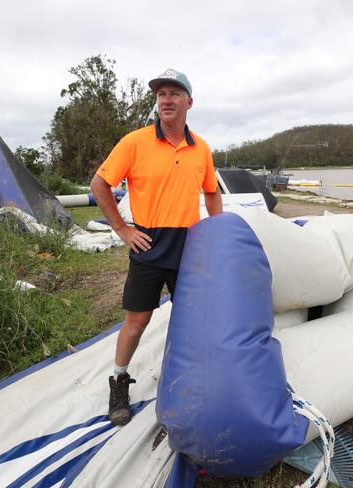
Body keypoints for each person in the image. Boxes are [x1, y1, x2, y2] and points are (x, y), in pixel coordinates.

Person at [90, 68, 223, 426]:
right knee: (137, 320)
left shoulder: (202, 149)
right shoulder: (135, 142)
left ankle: (191, 379)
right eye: (161, 94)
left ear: (188, 102)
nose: (166, 99)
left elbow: (212, 191)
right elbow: (100, 184)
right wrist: (122, 229)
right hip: (148, 243)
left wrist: (216, 232)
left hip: (190, 245)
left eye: (174, 93)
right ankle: (119, 381)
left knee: (192, 318)